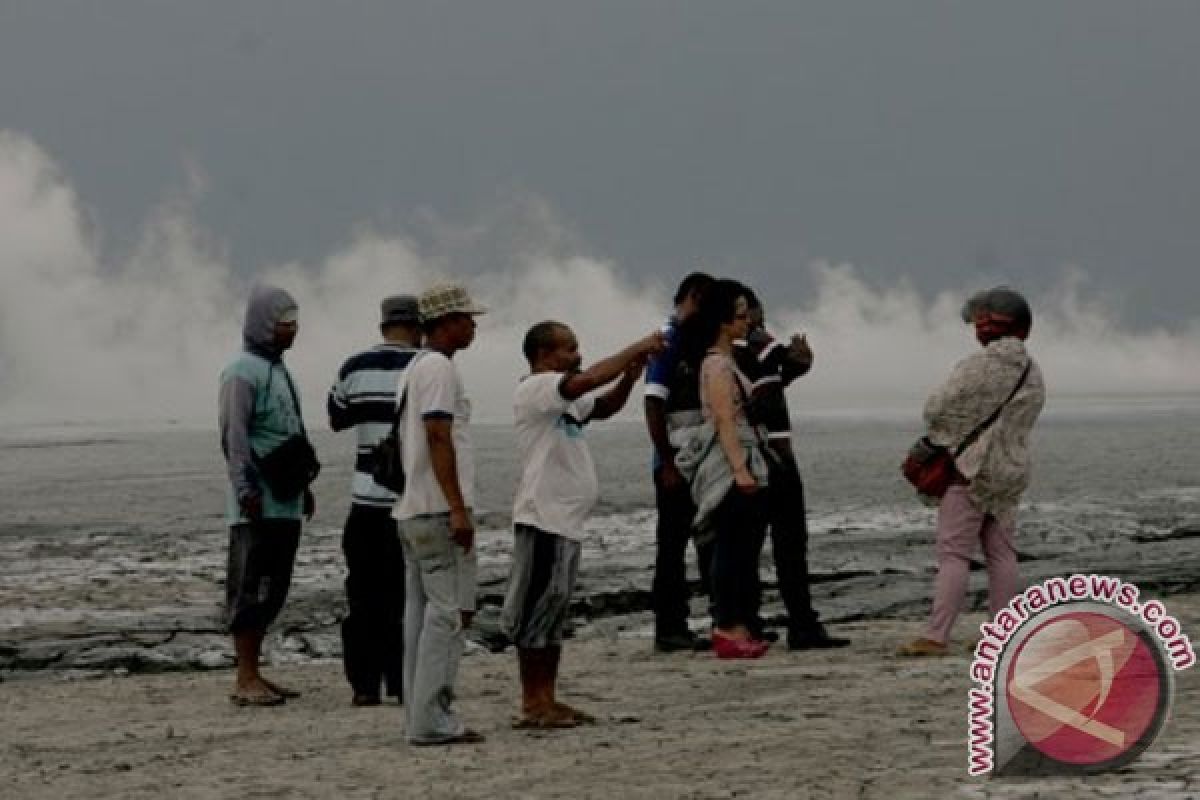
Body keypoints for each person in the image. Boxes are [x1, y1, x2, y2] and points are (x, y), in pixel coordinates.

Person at [503, 322, 665, 728]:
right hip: (543, 516)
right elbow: (589, 380)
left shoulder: (564, 399)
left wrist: (629, 378)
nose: (577, 355)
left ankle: (547, 698)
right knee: (537, 610)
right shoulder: (538, 388)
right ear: (544, 354)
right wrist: (637, 346)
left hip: (565, 521)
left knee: (554, 610)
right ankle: (533, 702)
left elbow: (603, 406)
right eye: (569, 348)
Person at [897, 286, 1046, 657]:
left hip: (971, 468)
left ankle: (936, 635)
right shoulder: (1032, 369)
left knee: (954, 552)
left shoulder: (979, 365)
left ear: (989, 324)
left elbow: (938, 409)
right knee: (1002, 553)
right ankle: (1003, 634)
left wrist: (940, 439)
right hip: (1010, 469)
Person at [394, 281, 487, 745]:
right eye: (467, 318)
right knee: (447, 615)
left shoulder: (414, 367)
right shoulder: (439, 371)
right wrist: (456, 507)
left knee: (420, 612)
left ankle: (418, 713)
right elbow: (438, 436)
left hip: (414, 508)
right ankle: (432, 719)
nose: (473, 326)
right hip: (435, 508)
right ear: (447, 322)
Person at [733, 289, 850, 650]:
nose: (758, 321)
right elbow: (762, 398)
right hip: (772, 453)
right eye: (752, 313)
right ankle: (801, 624)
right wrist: (791, 369)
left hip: (747, 455)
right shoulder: (752, 349)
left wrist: (792, 371)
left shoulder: (728, 353)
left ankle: (749, 622)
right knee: (789, 544)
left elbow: (768, 386)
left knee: (747, 547)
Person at [218, 284, 315, 706]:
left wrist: (304, 487)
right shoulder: (241, 372)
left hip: (286, 499)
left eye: (294, 324)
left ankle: (257, 671)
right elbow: (234, 436)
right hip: (256, 502)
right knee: (250, 586)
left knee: (274, 587)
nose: (292, 331)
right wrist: (245, 489)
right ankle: (245, 677)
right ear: (263, 325)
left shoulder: (281, 371)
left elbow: (292, 432)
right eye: (284, 324)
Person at [327, 295, 423, 707]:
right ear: (418, 324)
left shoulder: (354, 367)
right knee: (406, 596)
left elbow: (337, 417)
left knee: (363, 596)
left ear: (383, 323)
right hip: (410, 500)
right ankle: (402, 682)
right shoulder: (426, 366)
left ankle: (364, 686)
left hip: (364, 501)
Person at [676, 279, 771, 659]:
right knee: (732, 547)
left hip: (743, 455)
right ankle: (727, 626)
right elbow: (723, 419)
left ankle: (738, 625)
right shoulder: (716, 364)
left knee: (743, 547)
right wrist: (739, 469)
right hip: (732, 459)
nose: (746, 322)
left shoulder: (726, 361)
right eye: (739, 315)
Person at [644, 271, 715, 652]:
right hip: (675, 461)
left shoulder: (697, 341)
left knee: (707, 540)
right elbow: (653, 402)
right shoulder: (667, 340)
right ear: (689, 298)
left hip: (703, 458)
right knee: (671, 547)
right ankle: (669, 626)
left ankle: (718, 617)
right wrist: (668, 462)